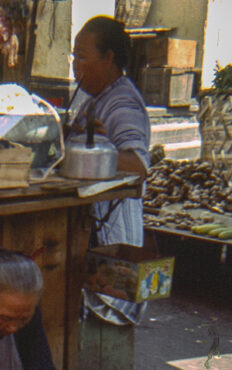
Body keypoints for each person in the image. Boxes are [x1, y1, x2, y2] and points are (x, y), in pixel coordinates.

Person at [69, 15, 151, 325]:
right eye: (73, 56)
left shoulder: (122, 103)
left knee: (106, 322)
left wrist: (99, 147)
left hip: (114, 238)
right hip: (99, 236)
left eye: (82, 56)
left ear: (109, 58)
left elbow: (139, 165)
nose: (76, 65)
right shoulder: (96, 99)